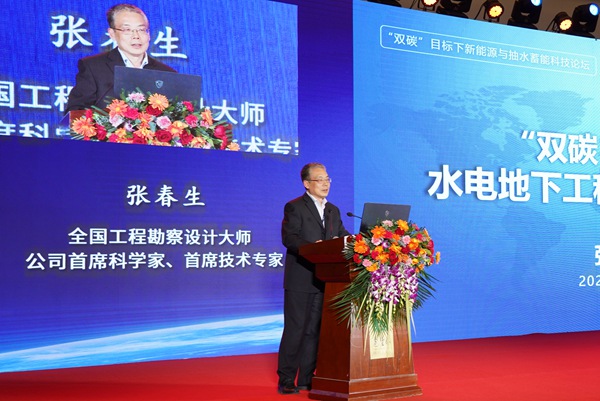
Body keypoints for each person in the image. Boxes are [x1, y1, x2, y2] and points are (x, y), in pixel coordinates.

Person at [277, 162, 350, 395]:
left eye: (328, 179)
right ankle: (286, 379)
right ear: (307, 183)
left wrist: (361, 243)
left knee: (314, 331)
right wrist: (314, 248)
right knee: (296, 329)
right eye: (320, 179)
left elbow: (343, 236)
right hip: (301, 278)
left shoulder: (333, 210)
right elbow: (290, 238)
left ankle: (306, 379)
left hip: (325, 279)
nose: (325, 183)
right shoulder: (295, 207)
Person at [65, 4, 176, 112]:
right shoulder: (94, 68)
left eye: (141, 29)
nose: (136, 36)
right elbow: (75, 112)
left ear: (149, 34)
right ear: (112, 34)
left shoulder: (166, 73)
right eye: (127, 30)